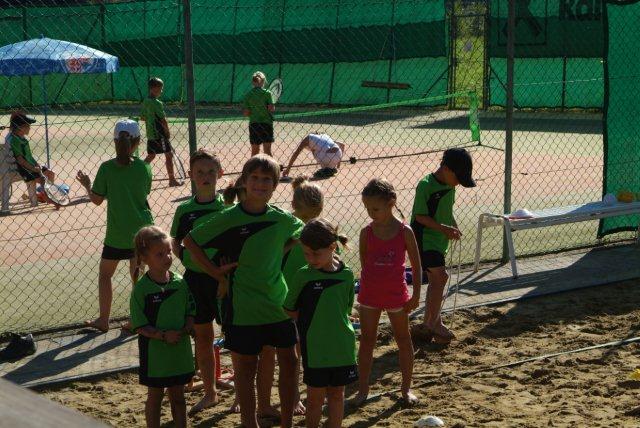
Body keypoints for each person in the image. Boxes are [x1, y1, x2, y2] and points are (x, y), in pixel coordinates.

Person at [184, 154, 302, 428]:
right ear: (244, 182)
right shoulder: (229, 218)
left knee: (290, 361)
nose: (260, 183)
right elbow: (190, 241)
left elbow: (300, 235)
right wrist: (216, 273)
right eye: (255, 178)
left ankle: (286, 422)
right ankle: (250, 423)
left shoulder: (282, 219)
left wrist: (278, 252)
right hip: (242, 308)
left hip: (277, 304)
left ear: (275, 184)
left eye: (267, 179)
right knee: (245, 369)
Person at [76, 119, 153, 333]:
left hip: (117, 234)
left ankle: (103, 320)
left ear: (115, 141)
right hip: (142, 231)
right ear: (138, 141)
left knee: (105, 275)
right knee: (137, 277)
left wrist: (87, 185)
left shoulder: (106, 168)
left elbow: (97, 200)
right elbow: (145, 192)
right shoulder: (145, 168)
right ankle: (137, 320)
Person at [354, 178, 422, 406]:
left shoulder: (405, 231)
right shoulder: (367, 232)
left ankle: (406, 389)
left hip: (396, 295)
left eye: (375, 209)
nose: (371, 213)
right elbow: (365, 263)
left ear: (391, 203)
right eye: (367, 208)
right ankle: (362, 389)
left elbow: (417, 266)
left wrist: (415, 295)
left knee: (403, 339)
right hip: (370, 295)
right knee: (367, 341)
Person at [284, 218, 356, 428]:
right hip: (315, 348)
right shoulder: (303, 275)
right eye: (306, 253)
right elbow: (289, 308)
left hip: (342, 347)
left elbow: (347, 308)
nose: (311, 258)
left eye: (316, 253)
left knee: (337, 394)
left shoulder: (347, 274)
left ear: (332, 247)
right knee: (315, 398)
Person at [169, 149, 226, 414]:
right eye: (200, 172)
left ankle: (237, 394)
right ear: (191, 175)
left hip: (225, 280)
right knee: (203, 335)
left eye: (211, 171)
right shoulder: (184, 210)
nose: (206, 176)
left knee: (234, 335)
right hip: (196, 281)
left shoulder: (227, 208)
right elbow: (175, 240)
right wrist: (184, 257)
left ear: (220, 174)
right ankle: (210, 392)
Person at [129, 226, 195, 428]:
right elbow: (139, 325)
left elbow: (190, 310)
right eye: (160, 254)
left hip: (179, 352)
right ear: (144, 258)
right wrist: (163, 335)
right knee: (155, 397)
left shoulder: (180, 283)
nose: (167, 257)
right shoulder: (141, 290)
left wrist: (187, 327)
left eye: (168, 252)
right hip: (155, 355)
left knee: (179, 397)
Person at [410, 148, 476, 343]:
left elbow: (445, 210)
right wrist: (443, 228)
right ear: (446, 169)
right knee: (441, 276)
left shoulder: (450, 184)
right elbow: (420, 216)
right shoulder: (426, 185)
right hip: (424, 238)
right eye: (458, 178)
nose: (458, 183)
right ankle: (434, 324)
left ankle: (429, 324)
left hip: (439, 239)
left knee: (435, 280)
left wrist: (452, 225)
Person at [7, 111, 56, 205]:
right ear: (20, 127)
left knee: (51, 173)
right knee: (43, 180)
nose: (30, 128)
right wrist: (33, 168)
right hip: (24, 169)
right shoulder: (15, 140)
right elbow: (20, 160)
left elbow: (29, 156)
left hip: (31, 166)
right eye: (27, 126)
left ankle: (46, 196)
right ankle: (48, 198)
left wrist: (36, 164)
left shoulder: (23, 139)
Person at [140, 77, 181, 187]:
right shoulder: (157, 103)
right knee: (169, 155)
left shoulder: (145, 101)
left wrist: (151, 119)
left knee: (151, 155)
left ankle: (137, 172)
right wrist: (167, 131)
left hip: (150, 133)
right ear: (153, 89)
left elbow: (142, 117)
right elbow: (163, 120)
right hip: (159, 134)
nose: (161, 91)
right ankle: (172, 180)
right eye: (160, 89)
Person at [243, 71, 275, 158]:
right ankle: (270, 167)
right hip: (266, 124)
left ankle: (252, 166)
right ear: (263, 82)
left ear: (252, 82)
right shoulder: (268, 93)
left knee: (255, 151)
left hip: (254, 124)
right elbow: (271, 109)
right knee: (267, 151)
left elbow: (246, 113)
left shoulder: (248, 95)